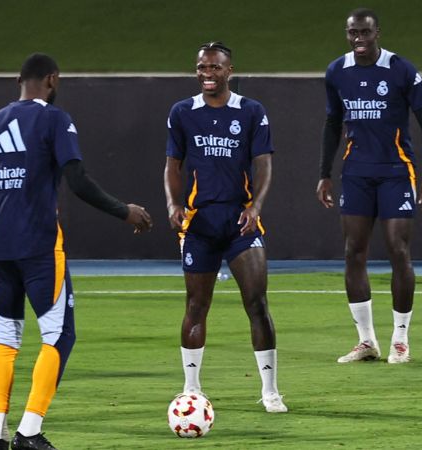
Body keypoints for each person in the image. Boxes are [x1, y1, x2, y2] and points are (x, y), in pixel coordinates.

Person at [0, 53, 152, 450]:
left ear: (19, 80)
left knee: (4, 338)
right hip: (38, 245)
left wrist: (6, 221)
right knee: (59, 334)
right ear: (52, 80)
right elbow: (78, 180)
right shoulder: (55, 119)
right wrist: (125, 211)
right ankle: (29, 432)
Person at [163, 41, 287, 413]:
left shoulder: (251, 112)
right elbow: (172, 164)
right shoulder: (182, 112)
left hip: (240, 224)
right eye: (202, 68)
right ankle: (191, 390)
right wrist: (173, 203)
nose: (207, 74)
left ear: (229, 71)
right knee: (196, 305)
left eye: (214, 68)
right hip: (199, 224)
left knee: (257, 302)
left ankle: (270, 390)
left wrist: (255, 206)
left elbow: (263, 163)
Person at [316, 8, 422, 364]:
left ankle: (401, 338)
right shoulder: (337, 72)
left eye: (364, 32)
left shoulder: (401, 69)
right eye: (352, 32)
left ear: (377, 33)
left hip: (396, 171)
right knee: (353, 251)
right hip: (356, 173)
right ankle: (366, 341)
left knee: (397, 248)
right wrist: (325, 172)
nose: (358, 39)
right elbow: (331, 123)